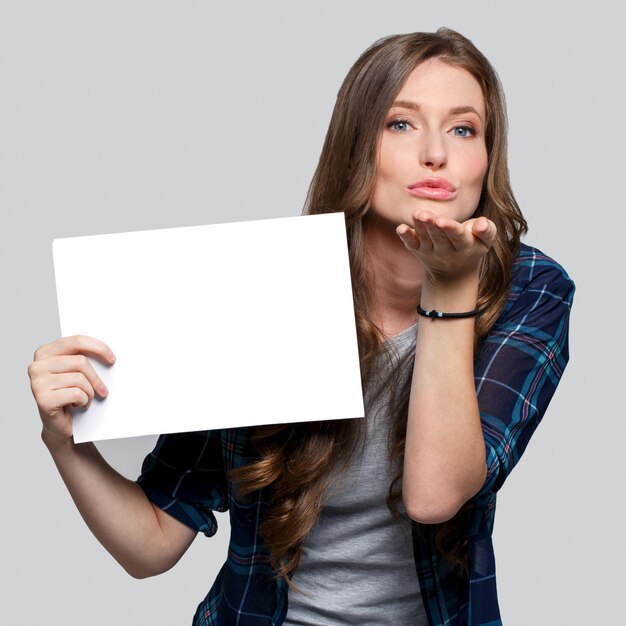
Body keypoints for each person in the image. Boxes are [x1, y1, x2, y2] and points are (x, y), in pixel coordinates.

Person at [28, 27, 574, 626]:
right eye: (401, 123)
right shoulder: (267, 287)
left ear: (487, 159)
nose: (436, 153)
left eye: (463, 128)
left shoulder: (530, 289)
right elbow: (153, 541)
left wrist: (447, 285)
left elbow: (435, 495)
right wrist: (65, 441)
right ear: (355, 146)